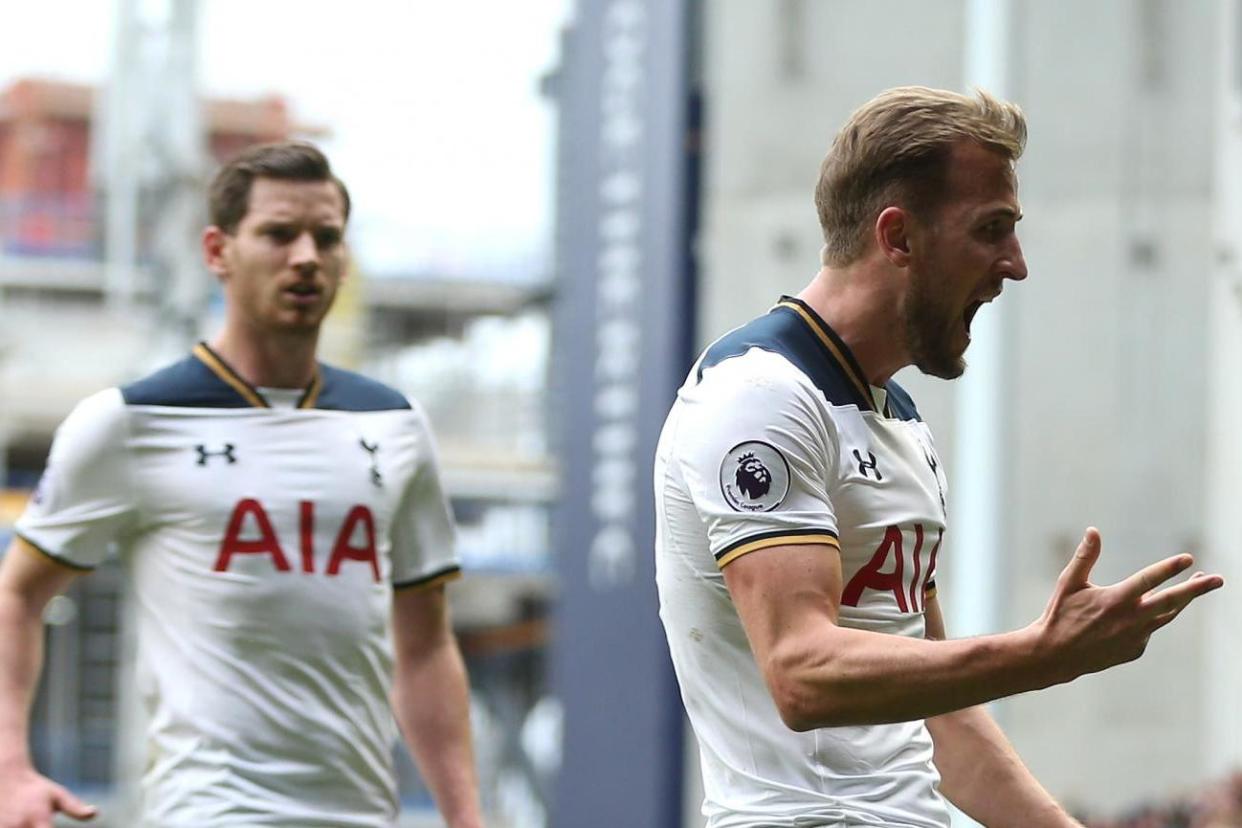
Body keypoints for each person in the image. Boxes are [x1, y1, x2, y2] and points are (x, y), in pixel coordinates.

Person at [654, 86, 1225, 828]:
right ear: (898, 238)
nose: (1014, 265)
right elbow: (801, 672)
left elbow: (940, 716)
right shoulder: (758, 396)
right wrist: (1038, 655)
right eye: (992, 230)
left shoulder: (900, 420)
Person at [0, 142, 483, 827]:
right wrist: (9, 769)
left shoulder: (395, 424)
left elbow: (427, 644)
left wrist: (467, 816)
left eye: (327, 237)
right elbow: (17, 593)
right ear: (217, 250)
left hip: (361, 814)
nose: (307, 257)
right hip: (207, 810)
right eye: (279, 235)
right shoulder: (129, 422)